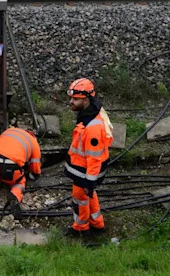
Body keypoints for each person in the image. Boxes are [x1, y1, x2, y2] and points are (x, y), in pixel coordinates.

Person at [64, 78, 113, 236]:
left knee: (80, 199)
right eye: (71, 98)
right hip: (83, 171)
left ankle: (80, 228)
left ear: (86, 100)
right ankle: (97, 223)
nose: (71, 102)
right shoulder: (88, 116)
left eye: (75, 99)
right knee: (89, 196)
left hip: (85, 173)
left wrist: (89, 182)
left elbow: (94, 158)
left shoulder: (92, 128)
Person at [0, 127, 41, 211]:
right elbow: (35, 166)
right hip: (10, 166)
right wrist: (33, 176)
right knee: (19, 182)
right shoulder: (33, 142)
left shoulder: (10, 130)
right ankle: (14, 195)